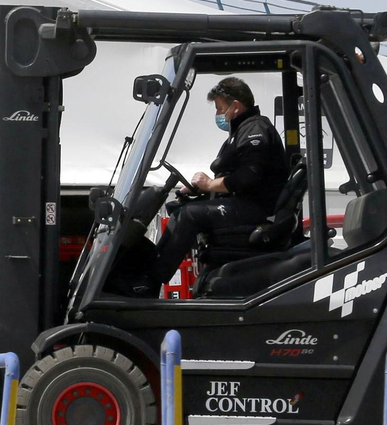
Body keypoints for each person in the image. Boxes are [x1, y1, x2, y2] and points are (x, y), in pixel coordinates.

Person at [120, 77, 290, 296]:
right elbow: (231, 175)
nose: (219, 114)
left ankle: (151, 281)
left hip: (255, 207)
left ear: (235, 106)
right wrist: (202, 188)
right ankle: (149, 271)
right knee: (178, 209)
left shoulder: (255, 129)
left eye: (220, 108)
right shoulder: (241, 130)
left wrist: (209, 184)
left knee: (189, 216)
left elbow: (248, 177)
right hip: (242, 202)